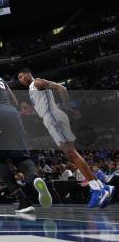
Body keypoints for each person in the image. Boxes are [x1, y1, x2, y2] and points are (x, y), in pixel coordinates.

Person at [0, 55, 51, 213]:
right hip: (12, 114)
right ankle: (34, 179)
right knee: (21, 157)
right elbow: (14, 101)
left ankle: (23, 200)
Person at [17, 68, 114, 208]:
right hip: (50, 118)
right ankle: (103, 187)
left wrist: (68, 107)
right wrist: (31, 109)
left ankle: (97, 189)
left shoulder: (37, 82)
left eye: (21, 76)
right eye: (19, 78)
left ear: (28, 74)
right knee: (71, 154)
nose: (21, 79)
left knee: (71, 153)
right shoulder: (33, 89)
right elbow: (43, 103)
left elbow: (60, 87)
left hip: (54, 117)